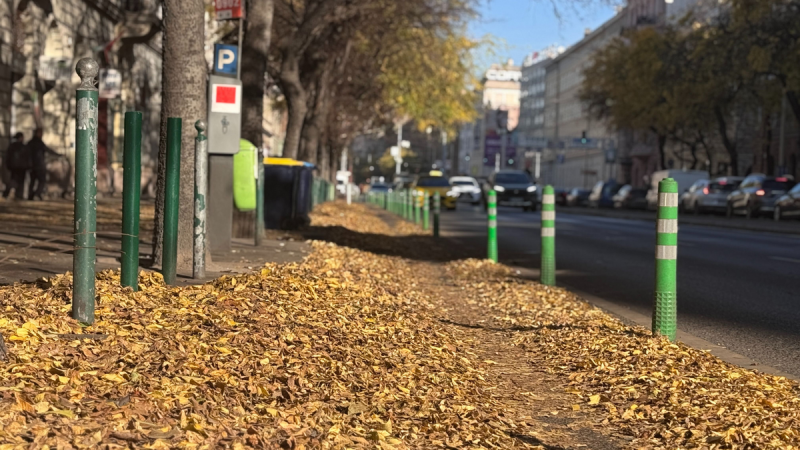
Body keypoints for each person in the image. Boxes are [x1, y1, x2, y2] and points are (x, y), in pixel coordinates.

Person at [27, 128, 61, 201]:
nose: (42, 135)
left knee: (32, 181)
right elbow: (48, 150)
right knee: (42, 181)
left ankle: (31, 195)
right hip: (39, 165)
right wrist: (58, 155)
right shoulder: (39, 143)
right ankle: (37, 194)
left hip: (32, 166)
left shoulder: (30, 143)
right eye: (41, 133)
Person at [3, 132, 30, 199]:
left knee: (14, 180)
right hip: (21, 167)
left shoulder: (12, 146)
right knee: (19, 182)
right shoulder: (23, 147)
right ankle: (18, 195)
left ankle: (8, 193)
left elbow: (8, 157)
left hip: (15, 167)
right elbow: (27, 157)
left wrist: (8, 165)